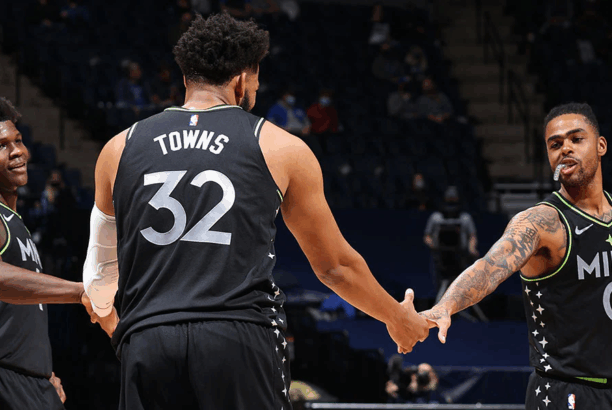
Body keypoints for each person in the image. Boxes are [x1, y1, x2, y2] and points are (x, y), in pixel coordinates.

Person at [84, 13, 429, 410]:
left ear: (185, 78)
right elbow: (334, 267)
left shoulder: (118, 148)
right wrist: (396, 318)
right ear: (241, 80)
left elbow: (100, 273)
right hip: (238, 337)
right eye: (256, 82)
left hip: (149, 338)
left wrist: (108, 314)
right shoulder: (280, 146)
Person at [422, 102, 612, 408]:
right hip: (566, 390)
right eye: (555, 144)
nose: (565, 148)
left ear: (601, 145)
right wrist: (445, 306)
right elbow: (489, 266)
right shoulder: (541, 222)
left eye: (577, 139)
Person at [0, 97, 96, 409]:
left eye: (18, 140)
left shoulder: (14, 221)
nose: (17, 151)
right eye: (2, 145)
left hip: (29, 381)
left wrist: (41, 373)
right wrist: (79, 292)